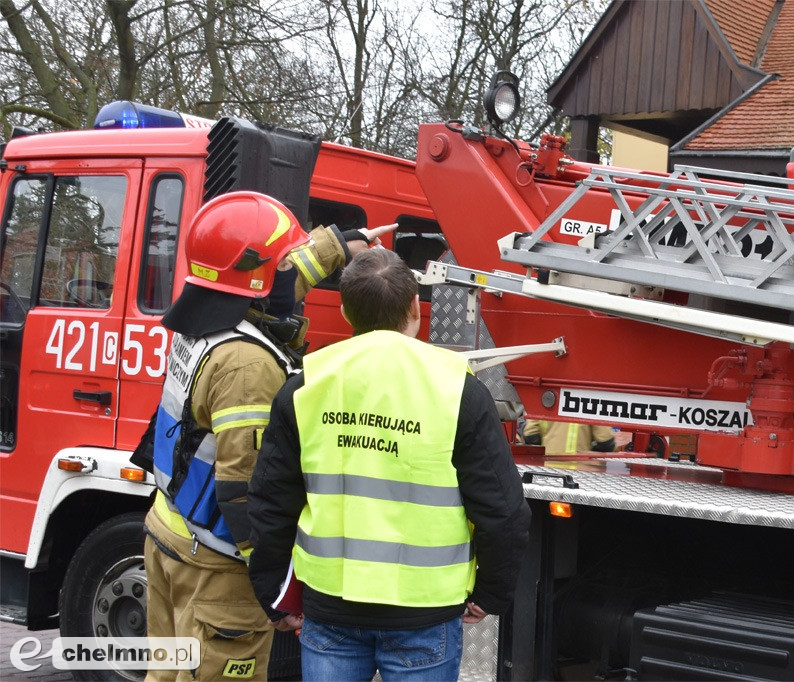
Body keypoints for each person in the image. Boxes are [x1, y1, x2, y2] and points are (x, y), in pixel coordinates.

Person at [141, 190, 396, 681]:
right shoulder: (248, 365)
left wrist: (341, 246)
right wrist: (275, 589)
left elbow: (274, 274)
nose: (294, 279)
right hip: (218, 568)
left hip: (168, 534)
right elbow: (245, 489)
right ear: (259, 280)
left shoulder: (207, 317)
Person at [247, 248, 531, 681]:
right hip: (424, 614)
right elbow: (503, 509)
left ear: (345, 311)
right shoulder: (458, 389)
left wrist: (273, 593)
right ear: (416, 306)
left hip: (330, 610)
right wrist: (492, 591)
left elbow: (271, 501)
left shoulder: (306, 385)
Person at [523, 418, 616, 455]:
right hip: (581, 474)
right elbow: (606, 441)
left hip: (548, 468)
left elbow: (531, 435)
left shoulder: (544, 395)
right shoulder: (592, 396)